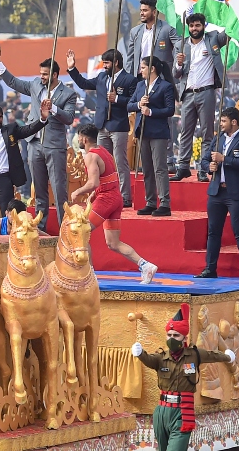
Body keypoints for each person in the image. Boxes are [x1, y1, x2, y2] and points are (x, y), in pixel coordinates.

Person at [132, 304, 236, 451]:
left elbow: (213, 355)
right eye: (169, 334)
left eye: (175, 335)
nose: (171, 338)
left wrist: (228, 357)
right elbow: (151, 361)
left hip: (183, 412)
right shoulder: (162, 356)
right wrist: (140, 354)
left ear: (184, 336)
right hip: (162, 412)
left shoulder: (194, 355)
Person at [0, 42, 79, 233]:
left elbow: (69, 118)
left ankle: (64, 230)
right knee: (39, 191)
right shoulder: (34, 85)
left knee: (59, 191)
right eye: (40, 73)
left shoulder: (69, 94)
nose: (41, 77)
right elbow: (13, 82)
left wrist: (53, 109)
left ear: (55, 75)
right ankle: (40, 230)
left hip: (54, 146)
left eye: (45, 74)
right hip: (34, 144)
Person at [70, 124, 157, 284]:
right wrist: (93, 195)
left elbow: (94, 182)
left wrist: (78, 192)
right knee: (113, 243)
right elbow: (107, 179)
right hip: (115, 198)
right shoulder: (104, 152)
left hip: (107, 199)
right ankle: (146, 266)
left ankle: (90, 276)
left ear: (83, 138)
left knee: (81, 233)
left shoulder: (90, 156)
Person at [194, 108, 239, 280]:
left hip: (236, 192)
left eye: (223, 121)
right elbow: (205, 159)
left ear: (234, 122)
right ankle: (210, 268)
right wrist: (209, 167)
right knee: (213, 231)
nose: (221, 124)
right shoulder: (218, 138)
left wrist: (224, 160)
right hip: (216, 191)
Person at [68, 48, 136, 207]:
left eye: (107, 63)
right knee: (100, 162)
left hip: (118, 125)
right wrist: (72, 68)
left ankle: (125, 197)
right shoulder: (101, 77)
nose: (104, 66)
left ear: (116, 63)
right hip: (101, 126)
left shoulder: (129, 80)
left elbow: (134, 102)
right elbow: (84, 83)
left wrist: (117, 98)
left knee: (119, 162)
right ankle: (101, 194)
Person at [0, 103, 46, 234]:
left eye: (0, 117)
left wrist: (43, 119)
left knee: (10, 218)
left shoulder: (10, 130)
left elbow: (28, 130)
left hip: (4, 181)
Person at [172, 13, 230, 182]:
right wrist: (179, 63)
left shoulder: (212, 40)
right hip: (188, 94)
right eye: (191, 26)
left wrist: (235, 12)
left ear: (204, 26)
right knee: (185, 133)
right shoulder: (180, 45)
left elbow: (229, 34)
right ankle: (182, 167)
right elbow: (176, 74)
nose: (194, 29)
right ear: (188, 28)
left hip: (207, 92)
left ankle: (203, 169)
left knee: (207, 133)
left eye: (198, 25)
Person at [129, 56, 177, 217]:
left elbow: (170, 110)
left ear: (152, 68)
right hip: (143, 131)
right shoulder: (140, 86)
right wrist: (138, 105)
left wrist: (152, 112)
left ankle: (164, 202)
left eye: (143, 67)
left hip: (158, 132)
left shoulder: (165, 87)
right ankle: (150, 201)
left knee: (159, 168)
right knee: (147, 169)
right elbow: (130, 104)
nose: (140, 70)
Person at [125, 0, 182, 89]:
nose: (141, 13)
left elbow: (179, 47)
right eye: (141, 10)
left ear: (154, 12)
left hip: (161, 77)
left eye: (145, 10)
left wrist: (177, 67)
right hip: (140, 78)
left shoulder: (168, 28)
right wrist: (128, 79)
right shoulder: (135, 31)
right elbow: (130, 58)